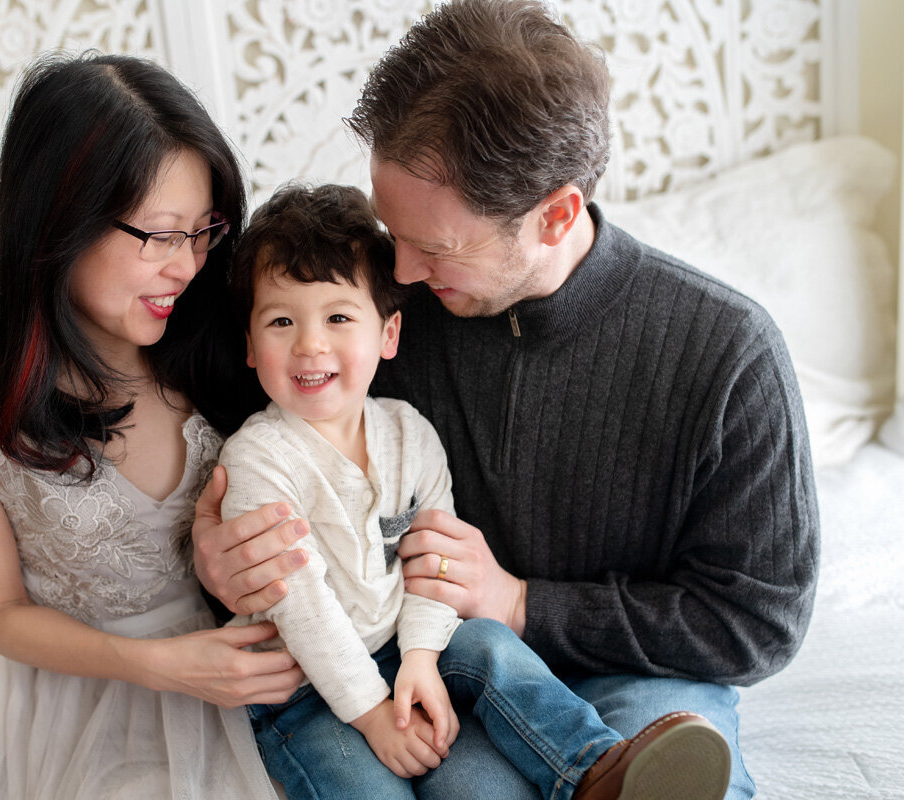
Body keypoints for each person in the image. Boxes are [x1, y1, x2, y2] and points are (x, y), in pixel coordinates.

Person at [192, 2, 820, 799]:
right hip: (446, 659)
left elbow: (758, 623)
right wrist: (216, 561)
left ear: (555, 214)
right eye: (395, 234)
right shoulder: (373, 315)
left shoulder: (728, 353)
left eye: (435, 247)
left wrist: (523, 605)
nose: (405, 274)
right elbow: (234, 424)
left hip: (643, 676)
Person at [218, 182, 732, 800]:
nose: (310, 344)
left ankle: (595, 771)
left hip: (403, 651)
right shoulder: (258, 459)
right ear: (250, 346)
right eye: (281, 321)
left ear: (389, 333)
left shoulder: (410, 433)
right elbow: (302, 609)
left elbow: (435, 564)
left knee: (487, 642)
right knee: (367, 786)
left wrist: (421, 658)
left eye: (338, 317)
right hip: (303, 689)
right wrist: (373, 715)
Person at [0, 52, 300, 800]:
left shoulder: (225, 326)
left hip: (266, 673)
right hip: (91, 697)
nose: (185, 267)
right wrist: (164, 666)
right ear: (61, 220)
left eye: (202, 231)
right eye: (158, 234)